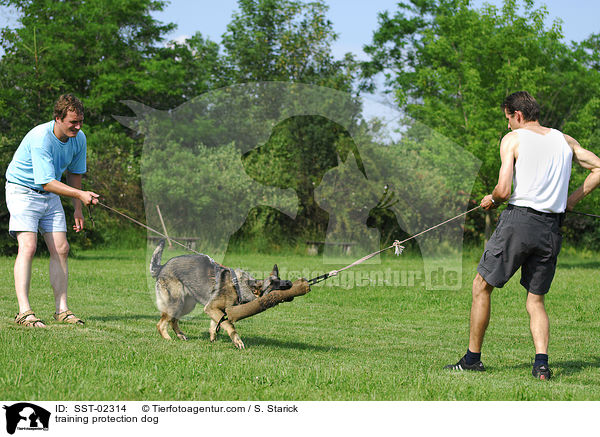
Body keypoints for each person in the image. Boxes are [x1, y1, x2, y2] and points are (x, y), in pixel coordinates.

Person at [445, 91, 600, 379]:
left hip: (519, 221)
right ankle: (541, 364)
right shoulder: (564, 140)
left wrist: (491, 197)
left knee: (481, 285)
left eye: (508, 119)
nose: (507, 126)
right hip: (551, 228)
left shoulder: (513, 140)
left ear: (517, 115)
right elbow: (598, 167)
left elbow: (503, 191)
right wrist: (570, 201)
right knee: (535, 300)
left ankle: (471, 360)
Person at [5, 94, 99, 327]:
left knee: (62, 248)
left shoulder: (79, 138)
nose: (78, 127)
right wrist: (79, 195)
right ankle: (24, 312)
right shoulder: (41, 138)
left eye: (81, 122)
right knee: (28, 246)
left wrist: (78, 208)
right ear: (58, 118)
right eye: (72, 122)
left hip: (50, 193)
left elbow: (74, 174)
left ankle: (62, 310)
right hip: (23, 190)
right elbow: (46, 181)